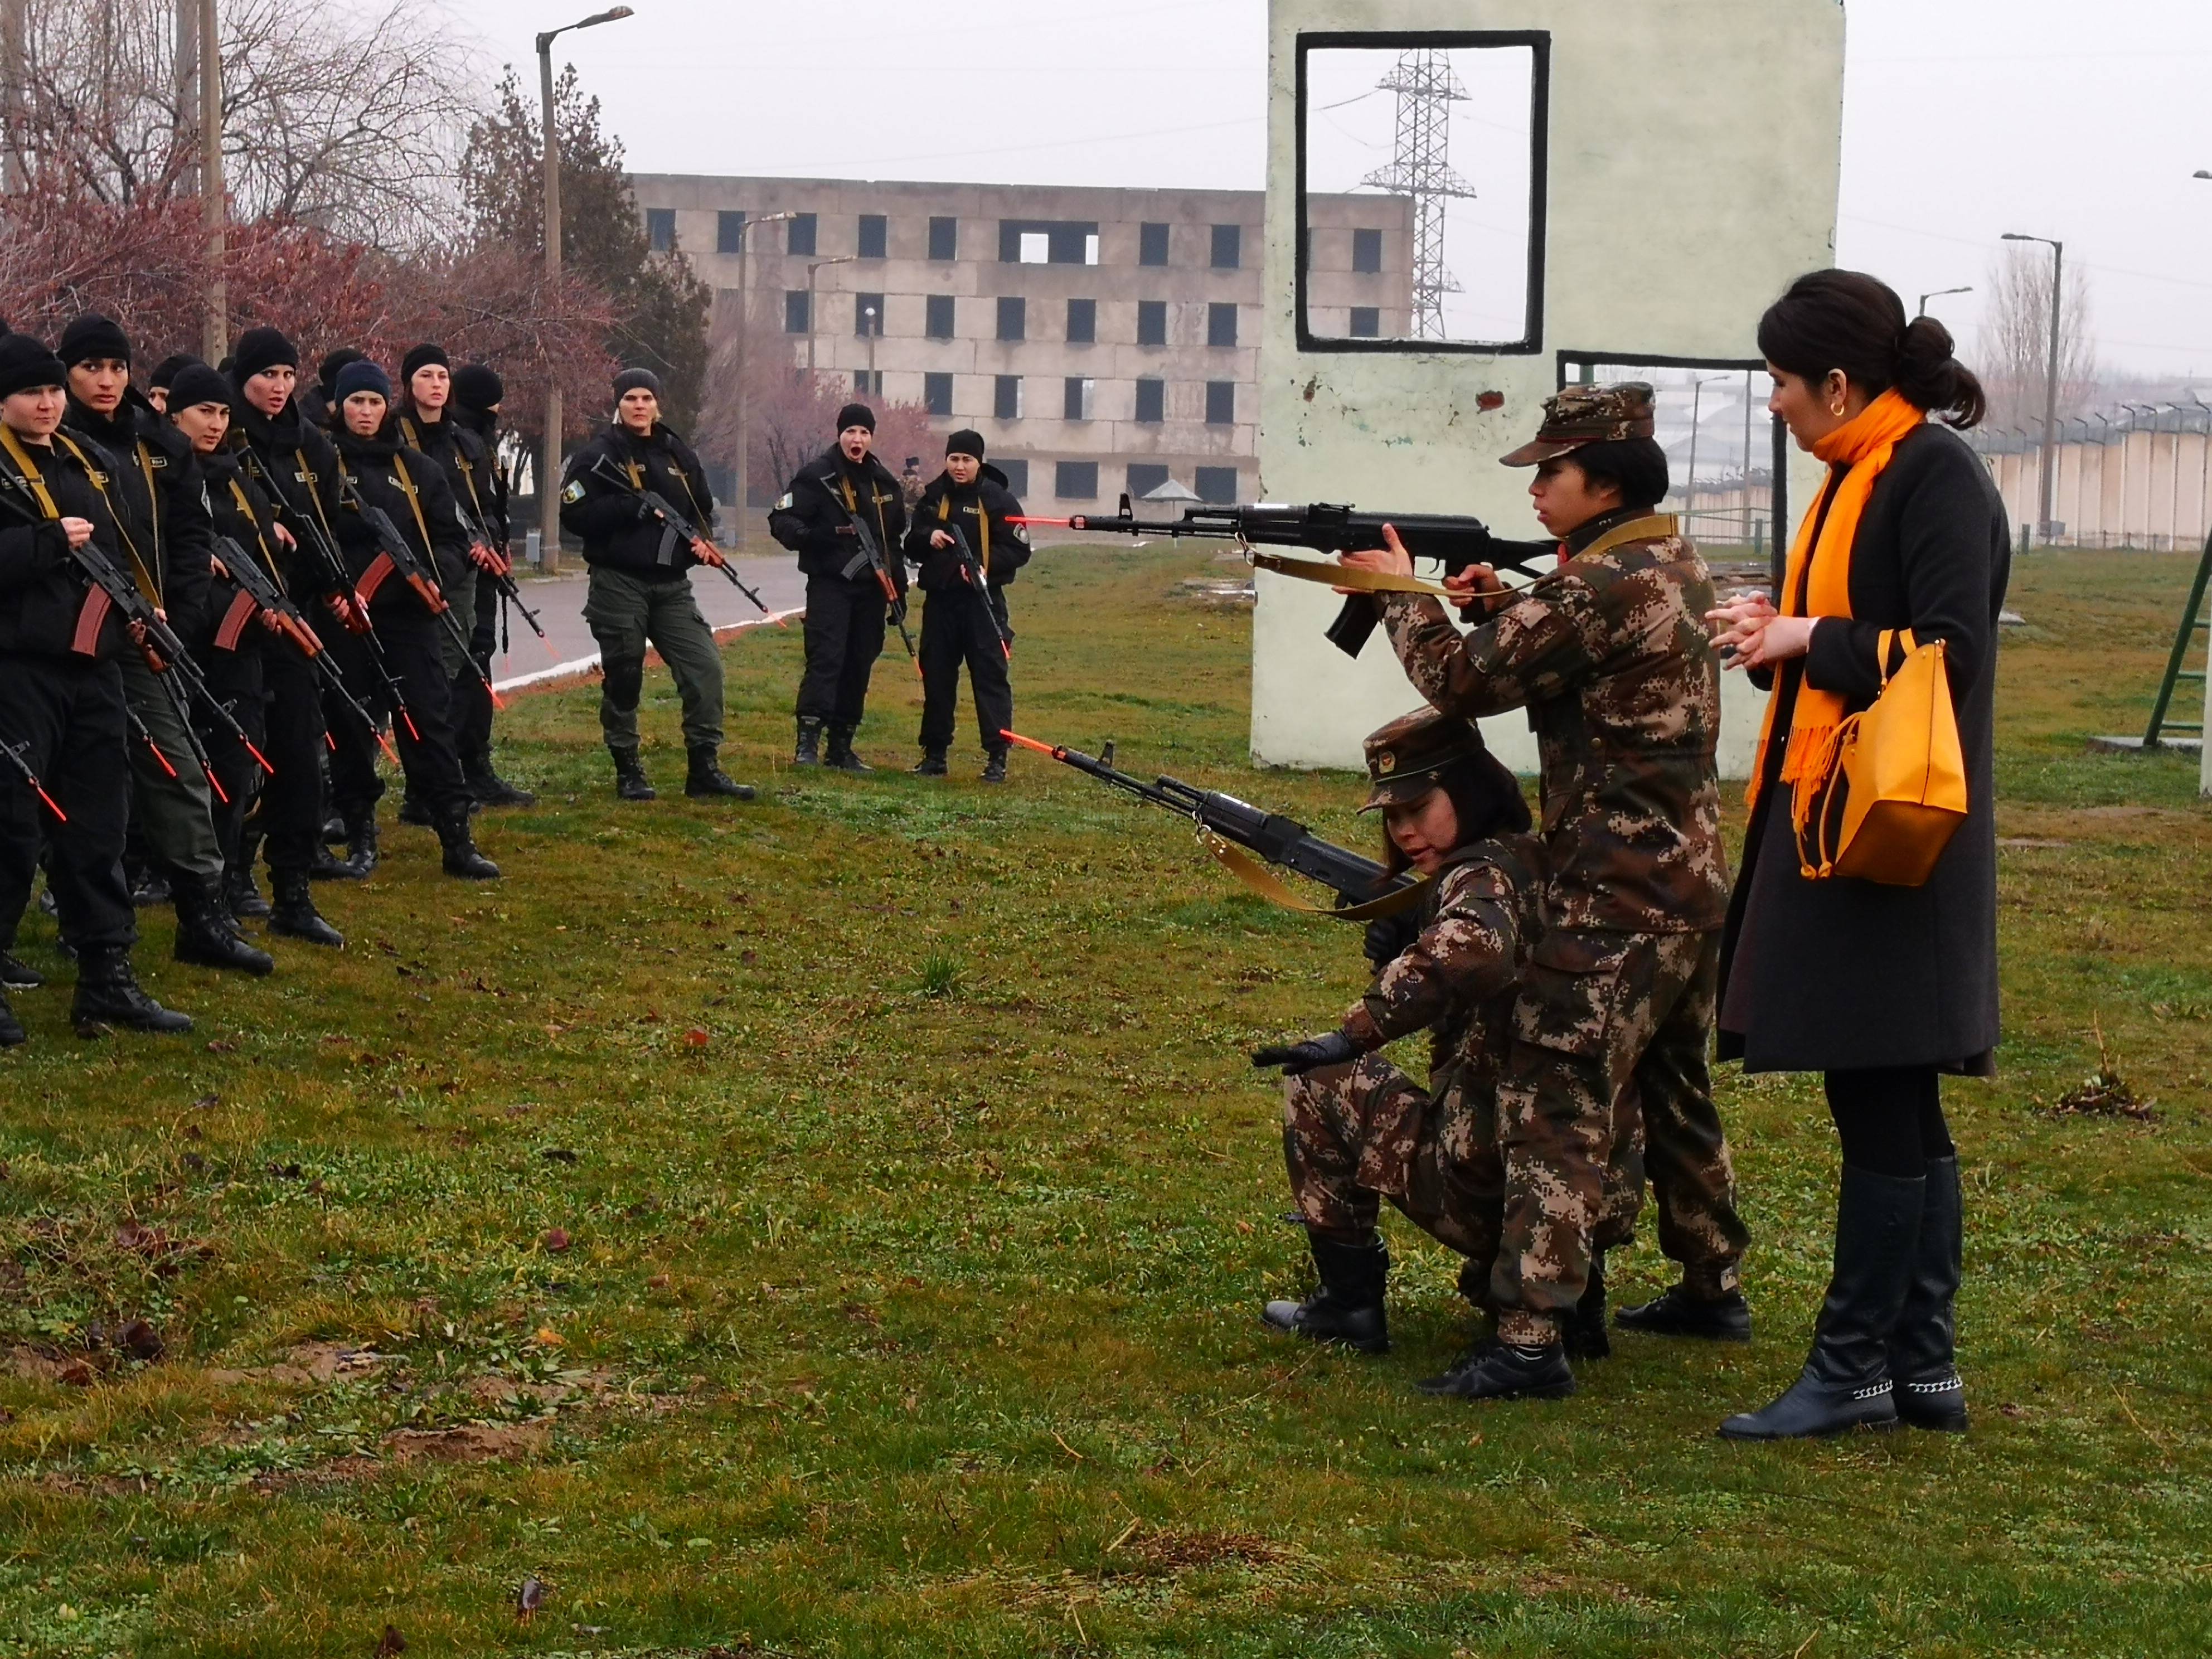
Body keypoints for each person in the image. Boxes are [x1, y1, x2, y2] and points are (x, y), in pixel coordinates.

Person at [1338, 382, 1747, 1401]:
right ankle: (1711, 1281)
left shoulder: (1597, 584)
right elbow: (1567, 652)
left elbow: (1467, 685)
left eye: (1549, 473)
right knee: (1672, 1087)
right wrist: (1494, 607)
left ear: (1602, 480)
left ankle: (1528, 1335)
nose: (1535, 491)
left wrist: (1402, 592)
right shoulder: (1669, 562)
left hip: (1611, 894)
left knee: (1557, 1094)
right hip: (1687, 883)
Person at [1705, 271, 2007, 1440]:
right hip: (1842, 820)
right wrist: (1779, 636)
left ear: (1837, 382)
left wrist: (1806, 638)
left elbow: (1948, 651)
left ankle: (1855, 1370)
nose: (1774, 402)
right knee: (1892, 1096)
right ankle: (1920, 1368)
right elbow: (1857, 635)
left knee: (1878, 1089)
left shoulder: (1928, 473)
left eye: (1781, 382)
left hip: (1891, 833)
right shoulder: (1857, 471)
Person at [1248, 710, 1636, 1390]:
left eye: (1418, 806)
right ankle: (1570, 1292)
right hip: (1596, 1187)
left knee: (1320, 1080)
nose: (1402, 829)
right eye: (1391, 815)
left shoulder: (1479, 878)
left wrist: (1357, 1029)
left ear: (1468, 788)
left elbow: (1476, 947)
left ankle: (1348, 1307)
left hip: (1499, 1182)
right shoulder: (1548, 859)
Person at [57, 314, 270, 977]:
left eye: (117, 367)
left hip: (144, 635)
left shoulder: (161, 447)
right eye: (92, 367)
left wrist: (177, 617)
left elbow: (189, 540)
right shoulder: (48, 444)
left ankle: (201, 916)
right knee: (75, 786)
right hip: (62, 639)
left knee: (179, 771)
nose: (106, 380)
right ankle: (80, 920)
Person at [0, 331, 192, 1041]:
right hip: (19, 670)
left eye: (53, 390)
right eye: (32, 392)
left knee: (98, 825)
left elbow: (114, 554)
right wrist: (47, 542)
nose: (48, 404)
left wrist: (138, 618)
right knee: (12, 829)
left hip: (93, 669)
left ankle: (106, 975)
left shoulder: (83, 459)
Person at [168, 361, 343, 949]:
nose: (215, 424)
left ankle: (292, 889)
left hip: (271, 630)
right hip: (217, 645)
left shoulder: (242, 475)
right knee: (231, 769)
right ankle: (219, 890)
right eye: (204, 412)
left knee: (298, 757)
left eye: (221, 413)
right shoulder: (166, 478)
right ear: (174, 417)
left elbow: (269, 548)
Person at [322, 358, 498, 880]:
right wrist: (336, 591)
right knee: (352, 730)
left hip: (409, 619)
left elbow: (451, 538)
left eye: (375, 402)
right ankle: (359, 838)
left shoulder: (418, 470)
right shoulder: (324, 467)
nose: (366, 412)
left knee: (429, 725)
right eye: (357, 402)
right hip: (348, 620)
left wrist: (428, 579)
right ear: (340, 406)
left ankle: (456, 837)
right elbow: (307, 536)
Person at [559, 367, 754, 803]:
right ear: (619, 404)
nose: (640, 406)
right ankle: (628, 767)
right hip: (619, 582)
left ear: (658, 404)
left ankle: (704, 769)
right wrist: (628, 508)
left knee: (705, 668)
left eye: (647, 398)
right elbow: (573, 515)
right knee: (625, 674)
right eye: (631, 398)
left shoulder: (677, 455)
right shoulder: (597, 456)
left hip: (672, 586)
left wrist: (702, 544)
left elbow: (701, 511)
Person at [227, 327, 373, 881]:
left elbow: (327, 525)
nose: (280, 386)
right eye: (268, 374)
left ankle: (296, 870)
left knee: (300, 738)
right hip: (235, 610)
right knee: (243, 748)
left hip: (298, 607)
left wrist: (336, 586)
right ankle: (233, 873)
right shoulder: (227, 433)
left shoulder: (309, 441)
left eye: (289, 375)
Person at [393, 343, 532, 818]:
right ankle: (424, 788)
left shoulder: (464, 442)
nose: (436, 384)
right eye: (426, 375)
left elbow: (487, 507)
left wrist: (487, 539)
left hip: (467, 573)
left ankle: (464, 773)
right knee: (426, 684)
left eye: (442, 376)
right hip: (409, 576)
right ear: (409, 384)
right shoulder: (395, 438)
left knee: (468, 670)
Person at [769, 402, 908, 770]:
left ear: (871, 437)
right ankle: (808, 744)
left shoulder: (885, 483)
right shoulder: (817, 477)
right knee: (826, 659)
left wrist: (900, 593)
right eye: (850, 432)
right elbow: (782, 520)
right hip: (831, 585)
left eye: (864, 433)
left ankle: (841, 747)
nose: (857, 439)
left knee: (859, 662)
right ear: (839, 435)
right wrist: (819, 538)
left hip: (872, 591)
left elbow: (893, 542)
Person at [901, 430, 1030, 782]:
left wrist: (986, 566)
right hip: (941, 603)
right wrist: (929, 538)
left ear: (979, 462)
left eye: (967, 460)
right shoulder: (933, 495)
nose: (959, 466)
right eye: (954, 459)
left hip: (983, 605)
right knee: (938, 679)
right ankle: (935, 754)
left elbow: (1020, 549)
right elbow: (912, 543)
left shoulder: (999, 500)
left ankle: (997, 756)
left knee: (990, 680)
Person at [448, 363, 535, 807]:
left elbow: (488, 506)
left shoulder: (480, 440)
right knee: (462, 668)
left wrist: (500, 542)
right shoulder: (455, 440)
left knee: (478, 661)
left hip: (485, 566)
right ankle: (455, 773)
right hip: (459, 567)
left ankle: (475, 765)